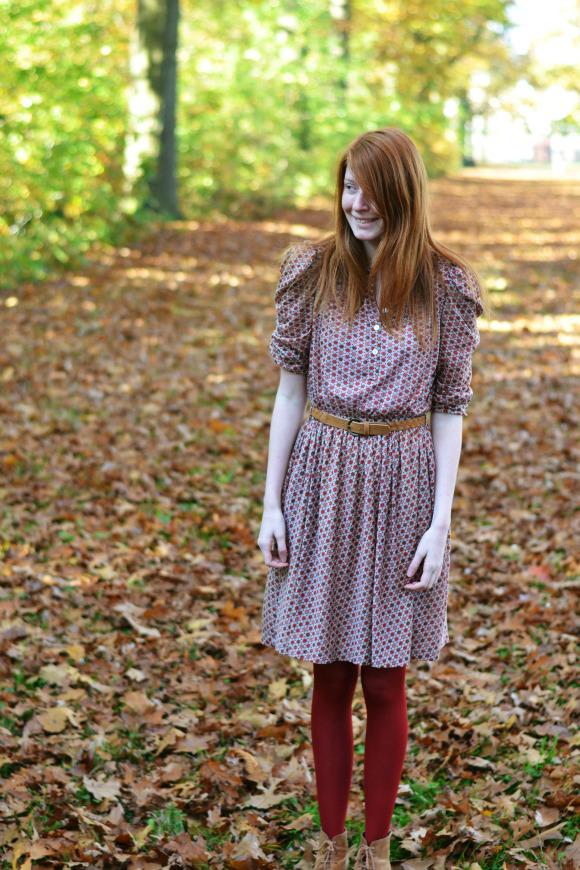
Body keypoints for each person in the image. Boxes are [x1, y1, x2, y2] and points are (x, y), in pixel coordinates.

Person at [257, 127, 488, 870]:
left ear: (404, 195)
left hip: (403, 483)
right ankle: (330, 847)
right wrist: (272, 503)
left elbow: (450, 407)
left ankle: (377, 848)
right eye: (348, 187)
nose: (358, 203)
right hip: (321, 477)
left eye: (373, 190)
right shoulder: (312, 273)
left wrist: (441, 521)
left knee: (386, 680)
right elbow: (289, 392)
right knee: (329, 672)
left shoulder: (443, 285)